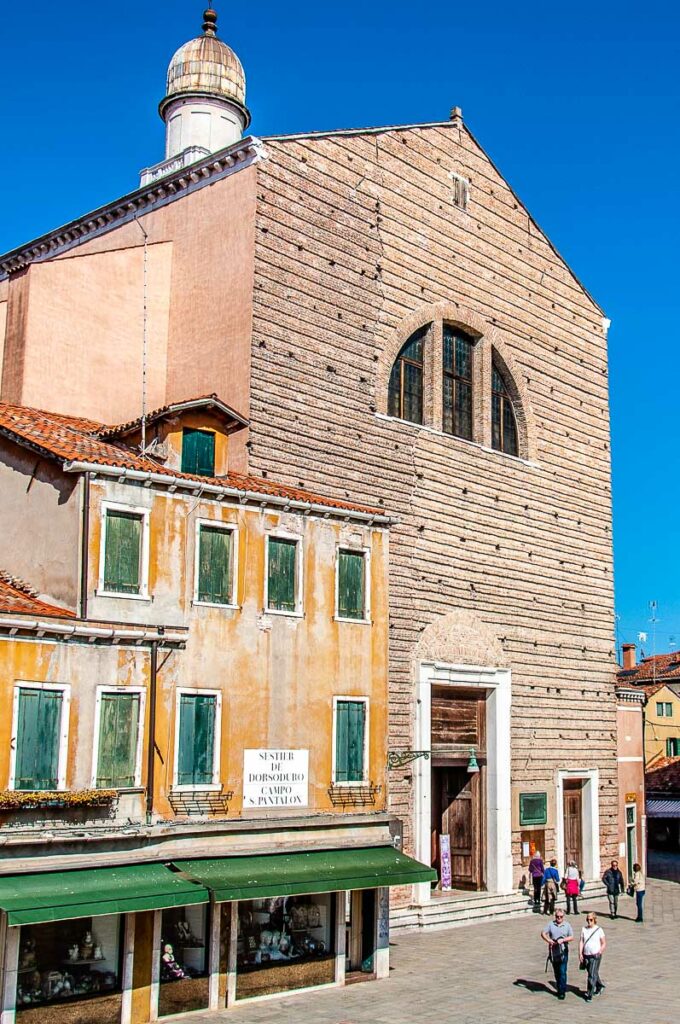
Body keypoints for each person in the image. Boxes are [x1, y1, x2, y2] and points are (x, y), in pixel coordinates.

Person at [541, 907, 573, 1000]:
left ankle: (562, 991)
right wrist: (548, 940)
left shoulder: (567, 925)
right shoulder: (551, 924)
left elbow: (571, 937)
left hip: (563, 950)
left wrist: (563, 940)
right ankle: (559, 986)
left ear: (563, 917)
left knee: (562, 971)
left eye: (561, 917)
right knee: (556, 971)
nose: (559, 918)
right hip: (553, 951)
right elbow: (543, 933)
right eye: (557, 917)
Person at [579, 912, 606, 1001]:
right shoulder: (584, 929)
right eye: (587, 919)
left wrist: (600, 951)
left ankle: (589, 993)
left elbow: (603, 942)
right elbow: (581, 942)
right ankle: (600, 985)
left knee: (591, 974)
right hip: (586, 955)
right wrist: (580, 953)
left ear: (594, 920)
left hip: (595, 955)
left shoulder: (599, 930)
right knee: (593, 972)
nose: (589, 921)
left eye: (591, 920)